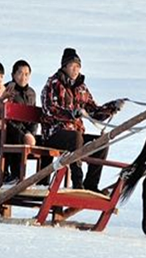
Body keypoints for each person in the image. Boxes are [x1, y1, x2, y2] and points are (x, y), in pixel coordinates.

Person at [40, 48, 124, 192]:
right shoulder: (52, 84)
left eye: (78, 66)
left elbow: (94, 112)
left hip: (75, 135)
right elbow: (49, 109)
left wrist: (112, 107)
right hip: (54, 133)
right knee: (76, 138)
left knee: (102, 143)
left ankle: (91, 184)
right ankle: (77, 182)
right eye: (72, 66)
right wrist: (71, 114)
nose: (75, 69)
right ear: (64, 66)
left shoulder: (81, 88)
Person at [3, 60, 38, 183]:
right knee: (15, 136)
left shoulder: (31, 93)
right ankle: (16, 175)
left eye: (27, 74)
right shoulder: (8, 89)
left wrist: (31, 133)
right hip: (10, 128)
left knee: (43, 140)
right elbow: (8, 116)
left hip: (27, 130)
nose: (23, 77)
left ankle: (42, 179)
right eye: (20, 73)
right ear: (13, 74)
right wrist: (24, 134)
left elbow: (34, 117)